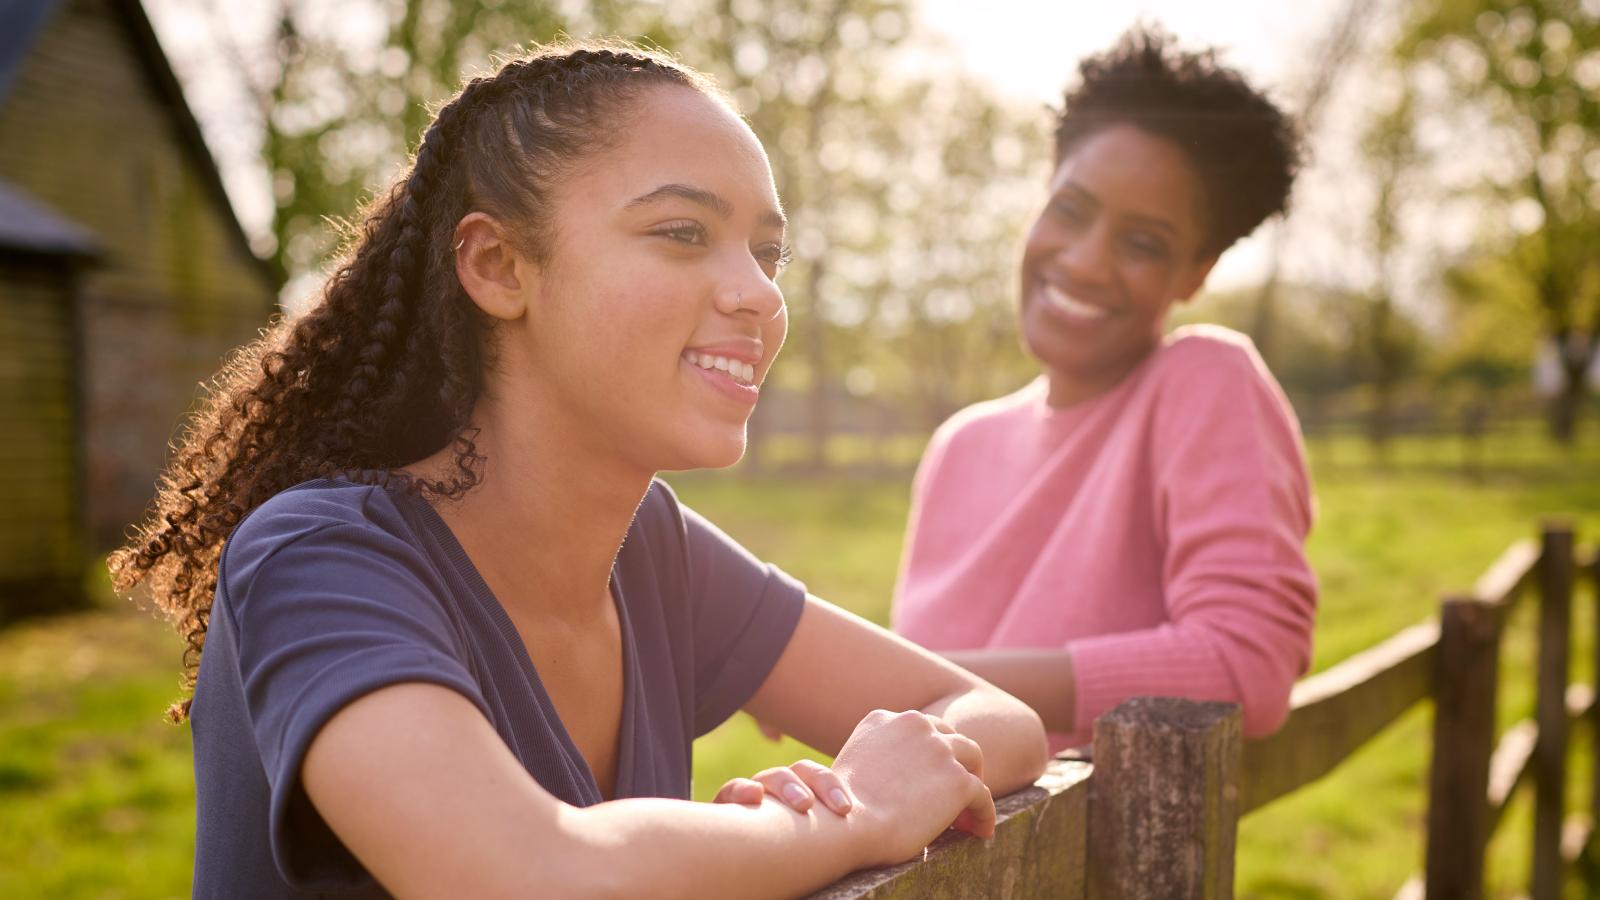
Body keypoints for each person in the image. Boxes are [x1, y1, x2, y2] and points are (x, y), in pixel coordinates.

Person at [110, 42, 1047, 898]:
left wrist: (869, 783)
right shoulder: (320, 553)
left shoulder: (656, 554)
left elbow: (997, 718)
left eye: (769, 254)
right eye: (683, 232)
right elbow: (518, 875)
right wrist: (852, 820)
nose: (759, 294)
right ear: (499, 267)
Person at [891, 27, 1319, 753]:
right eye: (1070, 210)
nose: (1086, 263)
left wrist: (898, 677)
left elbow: (1248, 662)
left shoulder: (1203, 381)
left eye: (1143, 243)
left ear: (1196, 272)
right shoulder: (960, 446)